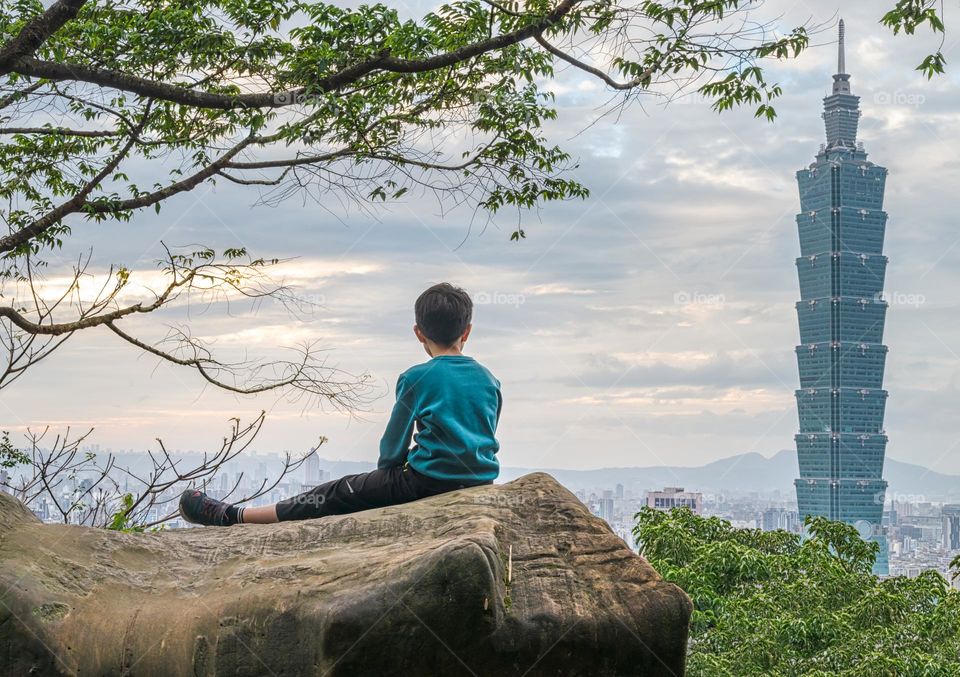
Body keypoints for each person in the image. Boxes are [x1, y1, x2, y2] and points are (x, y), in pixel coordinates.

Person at [178, 282, 502, 526]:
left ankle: (233, 516)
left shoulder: (416, 377)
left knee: (334, 493)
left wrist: (388, 475)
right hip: (480, 481)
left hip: (425, 483)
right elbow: (480, 434)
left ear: (418, 333)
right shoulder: (490, 379)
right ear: (467, 331)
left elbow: (392, 447)